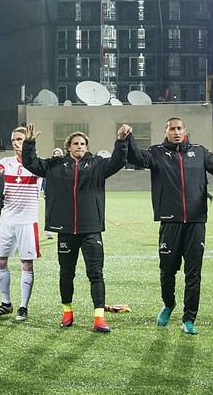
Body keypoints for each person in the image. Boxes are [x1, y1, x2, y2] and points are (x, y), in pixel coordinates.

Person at [125, 117, 213, 334]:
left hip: (196, 221)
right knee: (167, 270)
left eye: (179, 128)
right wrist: (128, 139)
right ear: (166, 131)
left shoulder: (199, 152)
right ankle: (169, 304)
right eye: (172, 129)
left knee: (193, 273)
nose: (176, 132)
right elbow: (136, 157)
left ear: (185, 130)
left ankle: (189, 318)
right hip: (170, 220)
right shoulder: (157, 152)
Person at [20, 123, 131, 333]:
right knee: (66, 274)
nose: (79, 146)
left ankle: (99, 319)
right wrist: (30, 143)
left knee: (96, 273)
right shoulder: (55, 165)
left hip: (91, 228)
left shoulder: (97, 164)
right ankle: (67, 314)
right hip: (65, 230)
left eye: (82, 143)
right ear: (68, 147)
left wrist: (122, 141)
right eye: (75, 143)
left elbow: (118, 161)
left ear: (86, 146)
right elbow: (30, 163)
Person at [0, 127, 43, 322]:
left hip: (27, 222)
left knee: (26, 264)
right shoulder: (5, 162)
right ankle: (6, 303)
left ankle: (23, 307)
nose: (15, 142)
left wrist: (30, 146)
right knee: (0, 260)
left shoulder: (37, 165)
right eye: (13, 139)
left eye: (19, 139)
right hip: (7, 220)